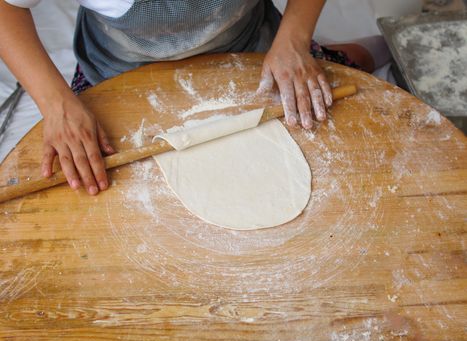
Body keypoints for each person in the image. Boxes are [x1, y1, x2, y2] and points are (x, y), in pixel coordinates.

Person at [0, 0, 373, 195]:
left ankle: (374, 48)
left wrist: (294, 40)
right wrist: (55, 103)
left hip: (252, 48)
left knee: (343, 73)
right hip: (119, 70)